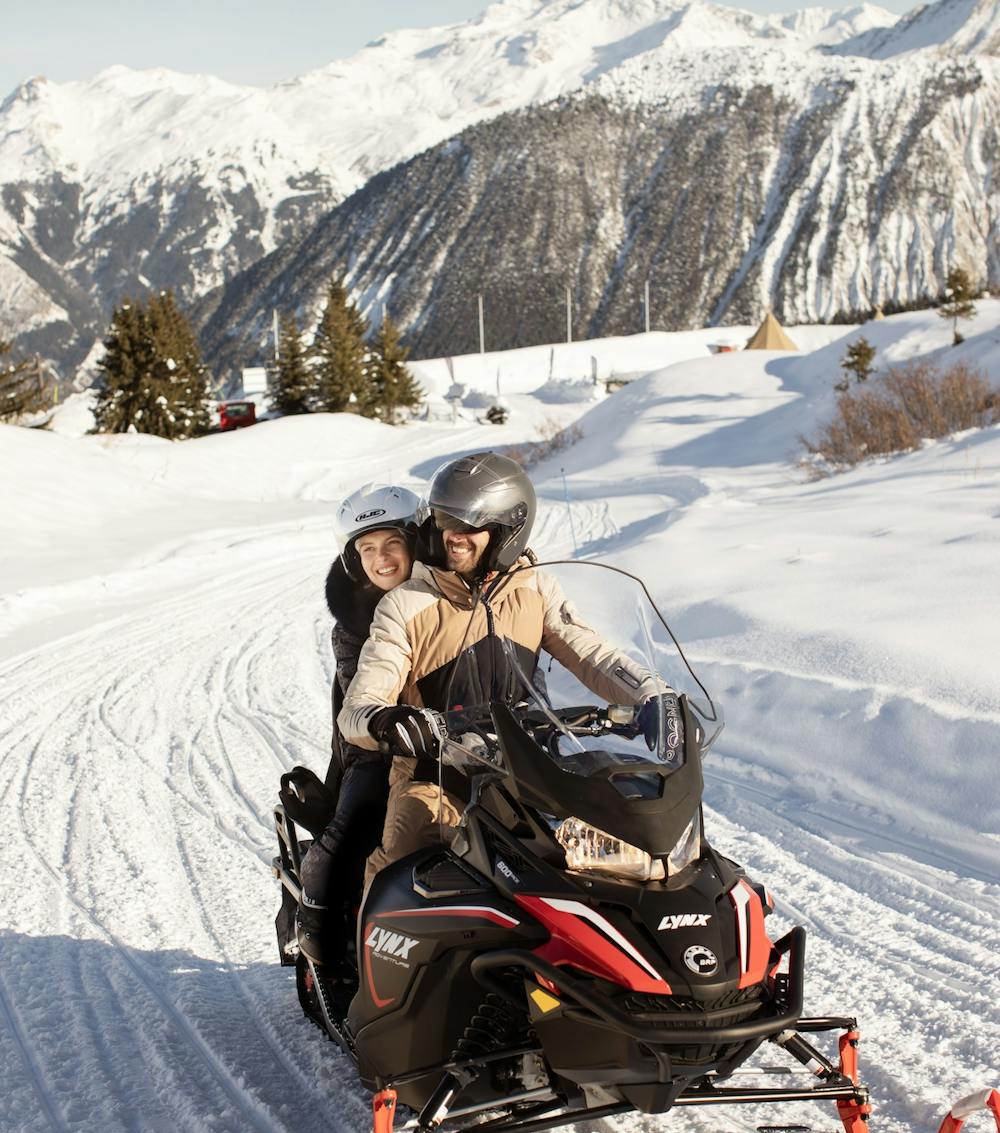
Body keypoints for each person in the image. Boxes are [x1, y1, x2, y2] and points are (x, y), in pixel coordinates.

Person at [337, 452, 679, 888]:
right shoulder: (406, 604)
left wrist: (652, 694)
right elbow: (357, 707)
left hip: (532, 767)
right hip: (438, 773)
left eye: (467, 525)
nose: (451, 537)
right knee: (402, 866)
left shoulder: (534, 585)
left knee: (611, 855)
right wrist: (390, 720)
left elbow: (592, 654)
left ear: (506, 530)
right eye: (443, 522)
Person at [296, 483, 420, 974]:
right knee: (355, 825)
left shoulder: (449, 593)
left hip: (466, 741)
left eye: (391, 543)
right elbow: (364, 698)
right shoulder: (352, 621)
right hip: (378, 748)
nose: (381, 559)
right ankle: (320, 934)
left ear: (416, 542)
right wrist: (389, 723)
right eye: (367, 549)